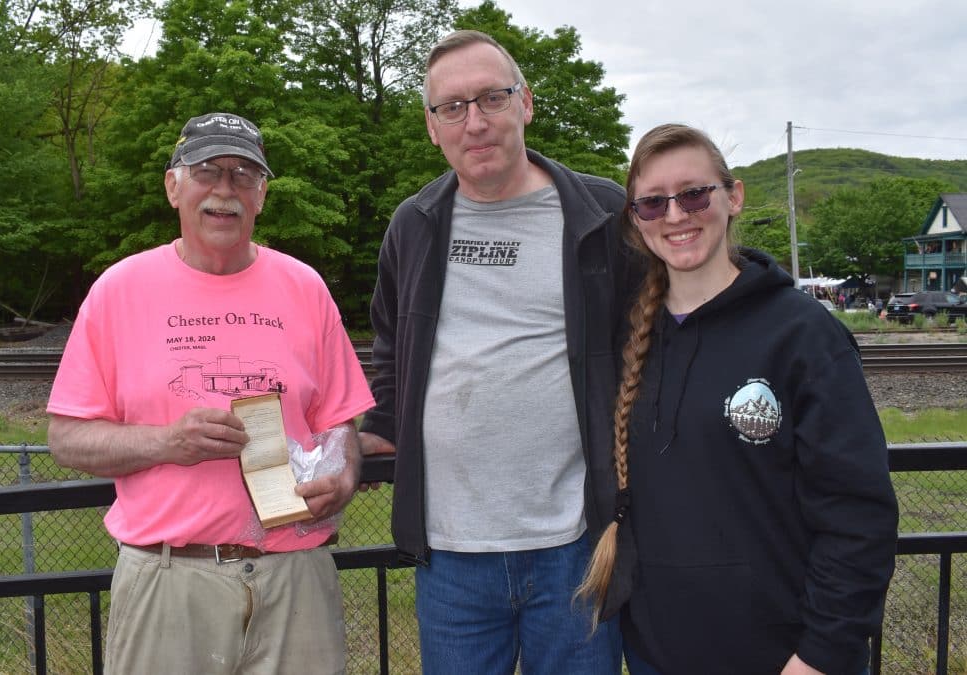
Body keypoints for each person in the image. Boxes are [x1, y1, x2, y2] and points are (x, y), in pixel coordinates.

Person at [46, 112, 375, 674]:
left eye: (245, 174)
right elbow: (67, 438)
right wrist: (167, 443)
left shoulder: (305, 287)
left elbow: (340, 420)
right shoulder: (118, 290)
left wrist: (344, 473)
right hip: (170, 579)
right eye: (208, 171)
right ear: (174, 186)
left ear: (262, 195)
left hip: (295, 575)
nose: (226, 189)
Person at [357, 29, 637, 674]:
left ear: (526, 104)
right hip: (451, 554)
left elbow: (651, 335)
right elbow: (393, 346)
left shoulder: (602, 214)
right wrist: (378, 429)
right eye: (452, 107)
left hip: (577, 542)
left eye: (491, 98)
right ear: (432, 127)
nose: (474, 122)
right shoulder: (415, 223)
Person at [577, 123, 898, 675]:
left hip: (787, 658)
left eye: (694, 194)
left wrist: (822, 653)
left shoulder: (802, 335)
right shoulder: (630, 338)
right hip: (659, 656)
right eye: (652, 203)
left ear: (733, 196)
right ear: (636, 220)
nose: (676, 215)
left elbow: (858, 514)